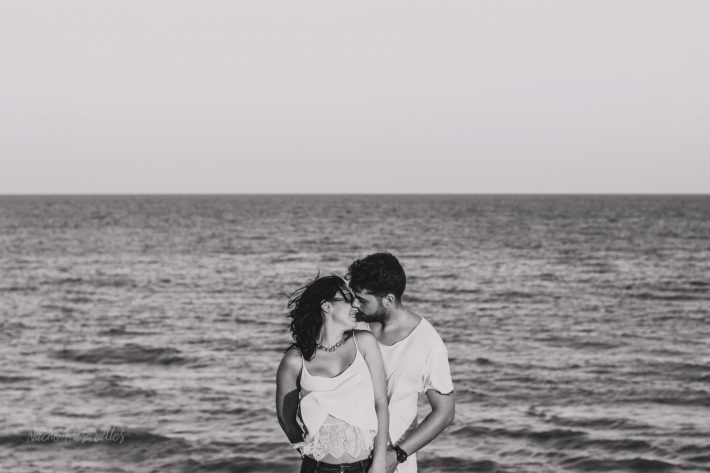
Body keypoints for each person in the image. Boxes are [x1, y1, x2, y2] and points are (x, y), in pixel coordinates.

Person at [347, 253, 455, 473]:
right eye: (353, 297)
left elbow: (445, 412)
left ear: (388, 300)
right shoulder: (351, 326)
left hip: (392, 466)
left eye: (363, 300)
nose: (354, 305)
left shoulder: (427, 341)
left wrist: (397, 455)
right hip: (344, 459)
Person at [276, 275, 389, 473]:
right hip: (317, 468)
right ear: (326, 306)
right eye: (348, 300)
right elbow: (286, 419)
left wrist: (379, 462)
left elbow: (381, 403)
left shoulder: (364, 342)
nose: (356, 306)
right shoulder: (295, 360)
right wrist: (309, 452)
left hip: (365, 467)